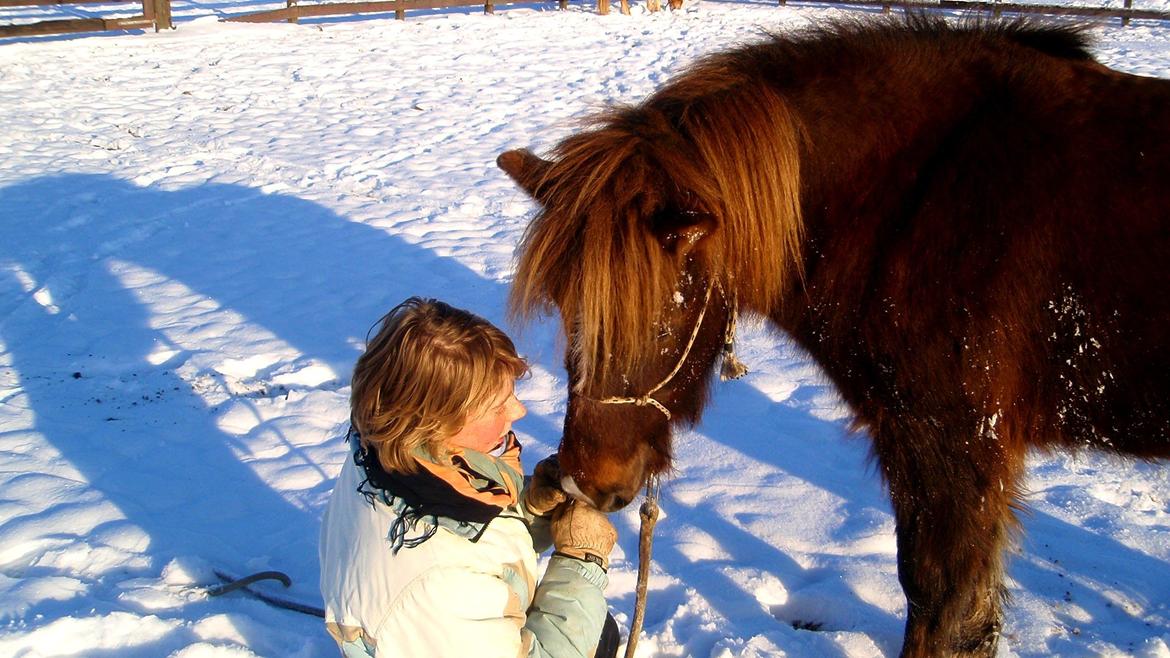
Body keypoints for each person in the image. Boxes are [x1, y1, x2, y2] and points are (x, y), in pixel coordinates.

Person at [319, 297, 621, 658]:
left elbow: (465, 533)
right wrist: (581, 562)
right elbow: (453, 570)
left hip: (429, 629)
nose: (519, 410)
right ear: (436, 425)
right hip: (429, 618)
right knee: (594, 630)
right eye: (497, 406)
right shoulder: (443, 585)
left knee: (592, 623)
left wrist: (529, 509)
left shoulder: (384, 452)